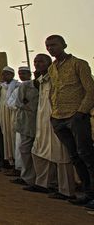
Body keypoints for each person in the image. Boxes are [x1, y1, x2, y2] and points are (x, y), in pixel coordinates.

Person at [44, 35, 94, 208]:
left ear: (64, 45)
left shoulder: (79, 64)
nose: (50, 48)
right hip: (58, 118)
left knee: (87, 155)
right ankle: (88, 194)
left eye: (54, 45)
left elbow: (90, 90)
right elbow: (53, 92)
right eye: (48, 46)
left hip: (76, 116)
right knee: (75, 157)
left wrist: (82, 111)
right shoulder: (52, 68)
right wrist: (53, 114)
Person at [25, 53, 77, 200]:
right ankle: (43, 184)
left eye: (41, 61)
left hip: (56, 119)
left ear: (49, 63)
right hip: (42, 121)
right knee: (38, 151)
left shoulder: (55, 77)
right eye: (35, 62)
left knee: (61, 154)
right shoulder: (41, 80)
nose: (37, 64)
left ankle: (67, 191)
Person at [10, 66, 39, 186]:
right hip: (26, 122)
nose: (21, 75)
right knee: (24, 149)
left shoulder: (43, 86)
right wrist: (29, 106)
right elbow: (18, 103)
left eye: (24, 73)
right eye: (20, 73)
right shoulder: (25, 86)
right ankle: (28, 177)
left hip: (41, 123)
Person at [0, 66, 20, 173]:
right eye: (3, 74)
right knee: (8, 139)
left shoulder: (18, 86)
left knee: (15, 140)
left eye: (6, 74)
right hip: (5, 117)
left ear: (12, 75)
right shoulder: (2, 87)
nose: (4, 76)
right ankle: (12, 163)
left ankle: (18, 166)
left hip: (14, 116)